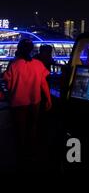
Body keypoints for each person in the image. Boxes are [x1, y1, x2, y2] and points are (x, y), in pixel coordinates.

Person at [3, 38, 52, 170]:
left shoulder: (13, 65)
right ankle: (31, 156)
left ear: (19, 48)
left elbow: (8, 85)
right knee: (32, 129)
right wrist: (48, 99)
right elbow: (43, 83)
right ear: (31, 50)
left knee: (20, 132)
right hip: (34, 102)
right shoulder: (38, 64)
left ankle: (20, 158)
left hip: (18, 103)